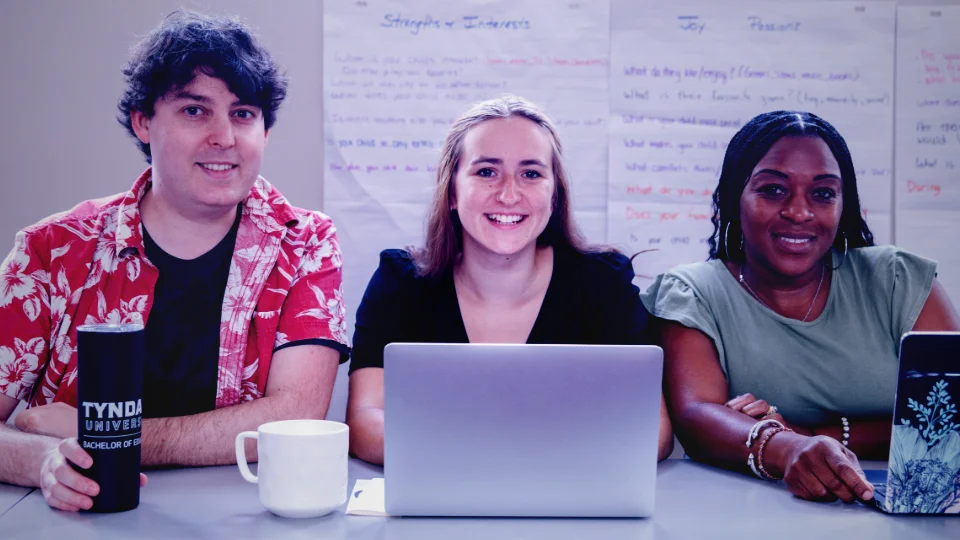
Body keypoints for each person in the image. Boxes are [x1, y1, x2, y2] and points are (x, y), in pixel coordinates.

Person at [0, 11, 349, 511]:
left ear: (265, 131)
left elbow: (294, 417)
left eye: (244, 114)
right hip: (78, 518)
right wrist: (41, 460)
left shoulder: (305, 243)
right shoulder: (51, 249)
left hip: (240, 518)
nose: (224, 137)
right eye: (194, 111)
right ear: (144, 122)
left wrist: (102, 436)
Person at [642, 110, 960, 503]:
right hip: (751, 514)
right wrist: (787, 448)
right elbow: (696, 416)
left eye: (823, 193)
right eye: (773, 190)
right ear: (733, 198)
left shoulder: (898, 280)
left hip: (908, 510)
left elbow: (949, 420)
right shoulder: (693, 292)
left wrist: (808, 437)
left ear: (845, 205)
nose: (799, 211)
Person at [346, 95, 673, 465]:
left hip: (568, 505)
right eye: (486, 171)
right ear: (452, 191)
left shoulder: (604, 284)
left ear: (554, 196)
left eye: (531, 173)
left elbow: (654, 429)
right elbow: (363, 421)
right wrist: (490, 458)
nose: (508, 194)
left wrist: (521, 460)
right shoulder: (399, 283)